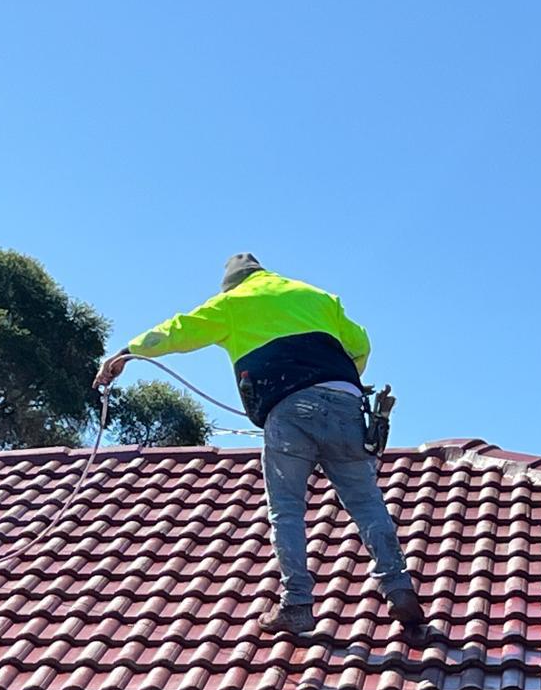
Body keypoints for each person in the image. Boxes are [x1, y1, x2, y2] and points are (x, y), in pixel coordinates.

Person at [95, 253, 424, 636]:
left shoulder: (232, 303)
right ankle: (399, 588)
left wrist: (127, 353)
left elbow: (177, 330)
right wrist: (337, 383)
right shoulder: (317, 297)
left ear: (231, 285)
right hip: (346, 404)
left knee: (287, 510)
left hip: (288, 408)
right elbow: (360, 344)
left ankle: (297, 605)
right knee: (367, 503)